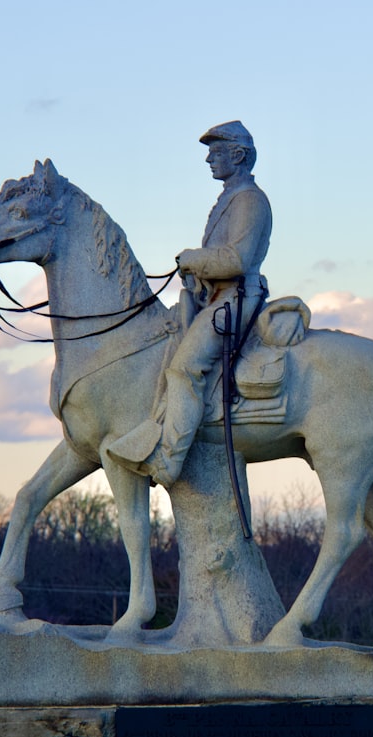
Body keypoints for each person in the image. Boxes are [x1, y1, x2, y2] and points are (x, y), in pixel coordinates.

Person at [108, 120, 271, 486]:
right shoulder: (231, 197)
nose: (209, 159)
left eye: (216, 152)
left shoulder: (249, 199)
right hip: (216, 297)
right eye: (209, 152)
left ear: (239, 155)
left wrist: (194, 259)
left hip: (237, 298)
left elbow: (238, 259)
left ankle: (170, 459)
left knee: (185, 368)